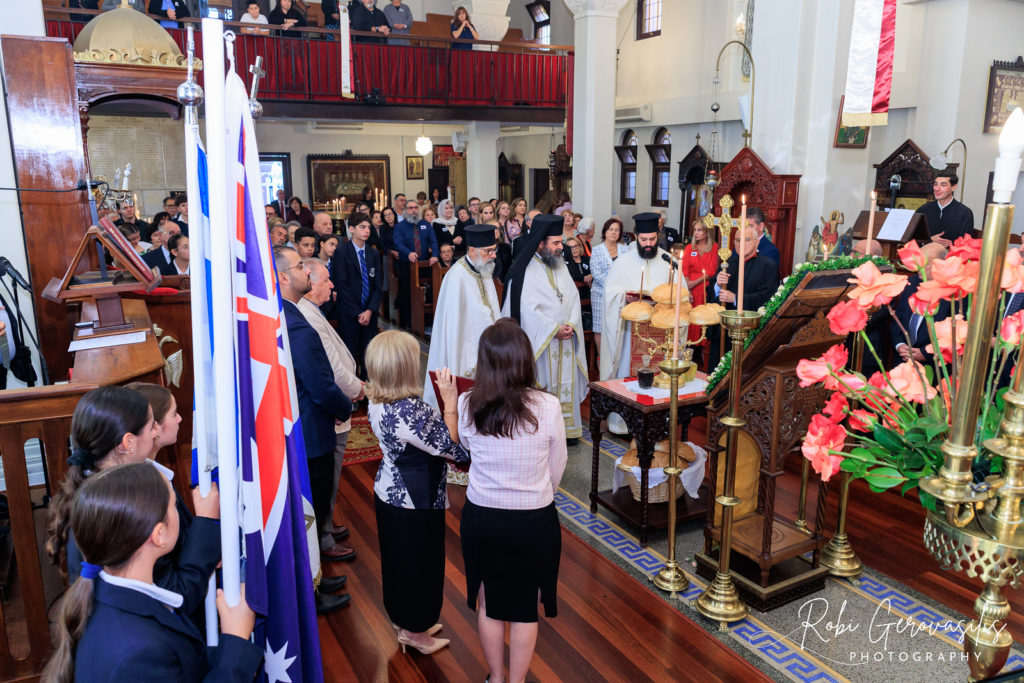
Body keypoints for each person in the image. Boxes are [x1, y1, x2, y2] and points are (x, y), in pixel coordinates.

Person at [41, 463, 261, 683]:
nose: (179, 509)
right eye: (174, 504)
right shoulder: (138, 655)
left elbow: (183, 666)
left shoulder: (106, 592)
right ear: (159, 535)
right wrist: (236, 639)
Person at [46, 386, 222, 621]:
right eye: (151, 427)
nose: (155, 434)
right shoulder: (125, 511)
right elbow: (175, 598)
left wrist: (205, 550)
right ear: (128, 443)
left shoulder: (97, 489)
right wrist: (206, 522)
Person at [458, 320, 566, 683]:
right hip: (533, 521)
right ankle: (516, 682)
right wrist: (536, 493)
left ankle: (497, 679)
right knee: (524, 609)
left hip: (483, 519)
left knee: (489, 603)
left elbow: (468, 451)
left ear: (485, 362)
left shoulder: (467, 404)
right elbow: (558, 466)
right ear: (524, 359)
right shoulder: (548, 407)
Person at [365, 331, 467, 655]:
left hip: (389, 493)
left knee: (399, 563)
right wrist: (451, 404)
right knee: (421, 567)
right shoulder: (409, 409)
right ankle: (416, 632)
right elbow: (452, 450)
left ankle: (403, 622)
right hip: (415, 503)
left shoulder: (376, 397)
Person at [276, 246, 357, 607]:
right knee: (310, 512)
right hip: (311, 432)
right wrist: (345, 405)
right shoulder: (298, 325)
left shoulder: (285, 316)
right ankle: (309, 592)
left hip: (300, 426)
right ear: (282, 277)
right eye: (300, 268)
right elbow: (321, 384)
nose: (307, 274)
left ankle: (316, 578)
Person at [300, 258, 364, 578]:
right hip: (330, 408)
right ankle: (322, 537)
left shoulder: (313, 312)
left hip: (332, 405)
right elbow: (333, 372)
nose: (331, 285)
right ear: (310, 284)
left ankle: (325, 525)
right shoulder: (307, 317)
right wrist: (358, 391)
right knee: (328, 475)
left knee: (331, 476)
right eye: (326, 280)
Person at [501, 215, 588, 442]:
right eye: (556, 243)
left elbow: (573, 298)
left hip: (566, 340)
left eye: (561, 242)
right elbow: (524, 311)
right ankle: (541, 432)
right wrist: (553, 329)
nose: (561, 247)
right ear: (540, 243)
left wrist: (571, 324)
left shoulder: (560, 266)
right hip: (541, 344)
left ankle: (567, 431)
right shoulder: (523, 272)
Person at [599, 213, 675, 433]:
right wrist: (625, 298)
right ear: (636, 237)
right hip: (631, 334)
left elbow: (681, 295)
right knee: (628, 374)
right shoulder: (623, 262)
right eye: (644, 240)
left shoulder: (668, 261)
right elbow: (610, 295)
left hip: (661, 330)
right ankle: (624, 424)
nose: (649, 244)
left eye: (652, 239)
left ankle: (658, 421)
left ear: (657, 236)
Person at [423, 224, 501, 410]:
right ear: (472, 250)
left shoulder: (484, 270)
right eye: (489, 251)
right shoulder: (456, 277)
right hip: (464, 351)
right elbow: (453, 328)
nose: (494, 255)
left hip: (487, 348)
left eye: (494, 250)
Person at [707, 223, 780, 365]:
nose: (742, 244)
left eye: (747, 240)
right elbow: (711, 294)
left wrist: (734, 298)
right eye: (738, 240)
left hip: (748, 333)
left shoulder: (768, 265)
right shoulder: (728, 263)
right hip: (724, 331)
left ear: (757, 242)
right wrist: (717, 285)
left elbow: (767, 298)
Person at [331, 213, 382, 377]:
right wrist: (357, 312)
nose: (367, 231)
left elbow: (377, 286)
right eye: (362, 227)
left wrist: (369, 311)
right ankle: (354, 394)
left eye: (368, 227)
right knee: (351, 354)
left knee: (369, 355)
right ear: (351, 229)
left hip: (369, 313)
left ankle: (369, 394)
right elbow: (342, 285)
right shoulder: (341, 253)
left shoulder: (373, 254)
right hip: (349, 313)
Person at [891, 242, 950, 367]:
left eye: (922, 263)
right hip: (902, 360)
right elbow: (897, 319)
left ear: (937, 265)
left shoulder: (953, 293)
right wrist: (899, 344)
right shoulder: (911, 283)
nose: (916, 267)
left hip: (934, 366)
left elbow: (953, 335)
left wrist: (926, 353)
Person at [394, 198, 439, 328]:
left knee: (428, 293)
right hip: (406, 266)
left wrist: (435, 255)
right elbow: (398, 243)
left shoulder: (425, 224)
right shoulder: (399, 227)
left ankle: (426, 322)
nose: (413, 210)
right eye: (410, 208)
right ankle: (408, 323)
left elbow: (434, 241)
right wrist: (408, 253)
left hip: (425, 266)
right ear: (405, 210)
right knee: (407, 295)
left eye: (415, 208)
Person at [589, 218, 628, 349]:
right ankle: (601, 361)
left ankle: (615, 360)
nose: (613, 232)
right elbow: (596, 274)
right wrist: (613, 287)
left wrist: (619, 289)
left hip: (620, 295)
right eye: (611, 229)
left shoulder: (625, 250)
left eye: (617, 230)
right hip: (601, 294)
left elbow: (627, 271)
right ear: (605, 231)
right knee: (600, 328)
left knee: (617, 327)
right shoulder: (596, 250)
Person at [681, 219, 719, 345]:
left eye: (699, 230)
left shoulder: (714, 247)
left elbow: (711, 271)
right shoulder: (689, 248)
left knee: (703, 317)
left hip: (705, 288)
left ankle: (703, 348)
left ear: (707, 232)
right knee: (690, 317)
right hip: (689, 289)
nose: (696, 233)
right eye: (695, 230)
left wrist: (693, 283)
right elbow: (684, 270)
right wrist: (688, 288)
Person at [916, 170, 974, 248]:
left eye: (943, 185)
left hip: (951, 257)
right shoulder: (923, 210)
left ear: (954, 187)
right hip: (924, 255)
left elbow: (965, 243)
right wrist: (930, 239)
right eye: (935, 184)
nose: (937, 189)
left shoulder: (965, 213)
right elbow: (913, 239)